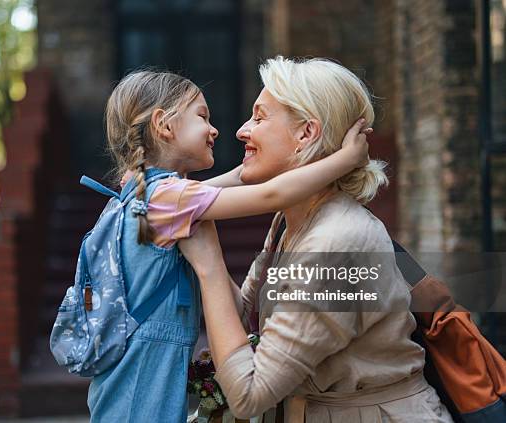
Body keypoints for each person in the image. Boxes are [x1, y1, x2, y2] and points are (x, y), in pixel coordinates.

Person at [178, 57, 454, 422]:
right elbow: (247, 318)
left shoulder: (337, 241)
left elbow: (249, 395)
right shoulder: (291, 219)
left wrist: (209, 265)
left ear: (306, 134)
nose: (242, 130)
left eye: (259, 118)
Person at [87, 69, 371, 422]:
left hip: (130, 370)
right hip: (145, 370)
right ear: (165, 125)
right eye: (203, 117)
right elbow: (271, 193)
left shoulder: (145, 193)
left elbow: (237, 179)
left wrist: (263, 162)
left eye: (259, 117)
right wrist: (345, 159)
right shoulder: (169, 197)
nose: (221, 130)